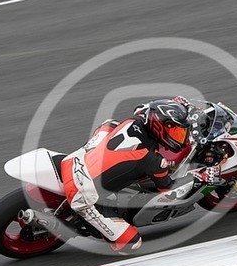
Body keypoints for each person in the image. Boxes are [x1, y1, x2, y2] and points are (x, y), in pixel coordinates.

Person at [60, 96, 220, 254]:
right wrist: (199, 177)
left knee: (110, 124)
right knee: (131, 243)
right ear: (159, 127)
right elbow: (170, 190)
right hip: (82, 192)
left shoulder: (139, 119)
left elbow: (142, 107)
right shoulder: (153, 161)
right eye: (176, 132)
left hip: (75, 160)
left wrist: (181, 105)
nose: (181, 138)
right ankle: (80, 220)